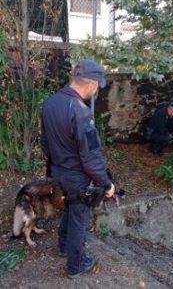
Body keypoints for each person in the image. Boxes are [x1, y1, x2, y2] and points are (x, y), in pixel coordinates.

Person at [40, 59, 115, 279]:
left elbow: (45, 142)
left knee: (71, 208)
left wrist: (58, 165)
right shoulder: (81, 112)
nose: (95, 91)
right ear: (91, 84)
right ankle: (76, 264)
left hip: (58, 172)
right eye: (96, 86)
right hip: (78, 178)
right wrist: (107, 184)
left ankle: (64, 246)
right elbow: (91, 159)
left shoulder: (51, 102)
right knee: (79, 219)